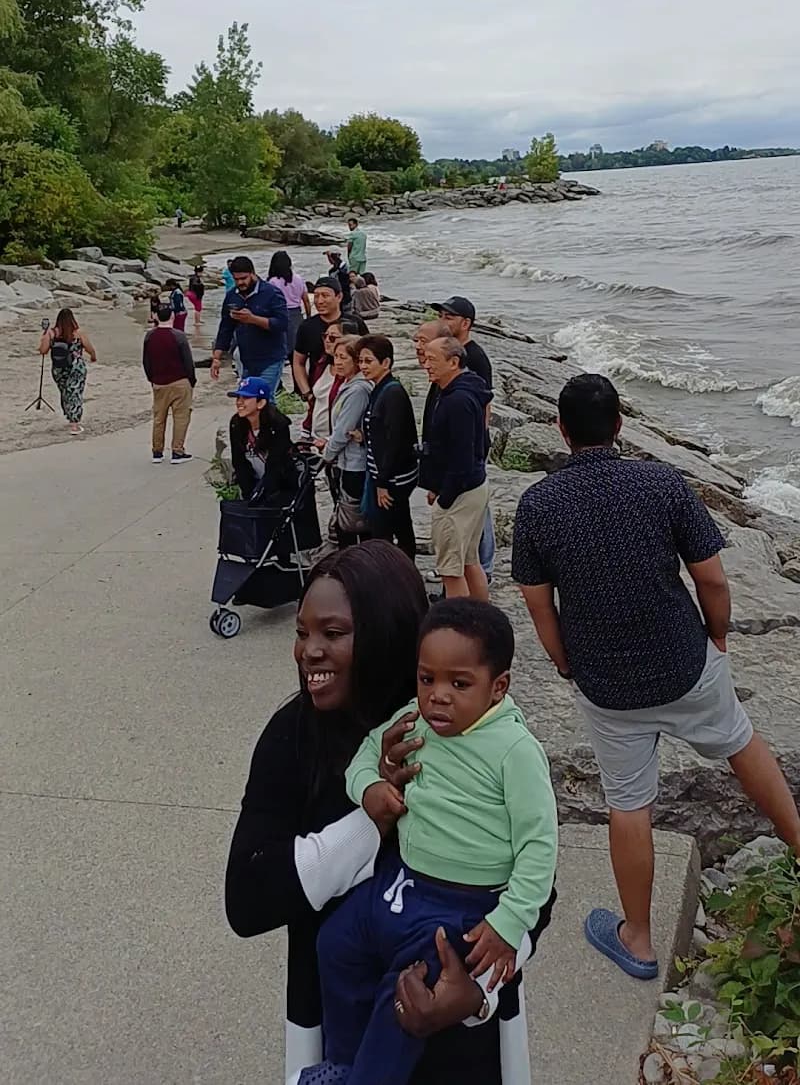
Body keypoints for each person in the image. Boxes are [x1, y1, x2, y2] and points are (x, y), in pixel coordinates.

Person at [512, 372, 800, 982]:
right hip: (683, 660)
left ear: (561, 430)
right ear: (620, 424)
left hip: (607, 682)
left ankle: (638, 940)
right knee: (740, 741)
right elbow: (711, 577)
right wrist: (718, 635)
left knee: (628, 802)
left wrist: (565, 663)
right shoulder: (662, 482)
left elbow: (539, 605)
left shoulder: (538, 504)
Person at [225, 544, 543, 1085]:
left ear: (387, 633)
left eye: (333, 632)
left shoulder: (462, 728)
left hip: (452, 1024)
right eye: (302, 633)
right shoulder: (293, 737)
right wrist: (370, 823)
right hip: (340, 1021)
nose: (309, 652)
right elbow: (247, 901)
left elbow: (536, 876)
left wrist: (477, 989)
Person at [306, 599, 558, 1085]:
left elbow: (539, 845)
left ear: (498, 686)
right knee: (335, 943)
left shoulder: (515, 752)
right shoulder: (413, 720)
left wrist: (509, 922)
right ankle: (342, 1063)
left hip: (462, 910)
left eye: (459, 684)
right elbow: (364, 756)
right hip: (399, 884)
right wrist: (371, 786)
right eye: (427, 679)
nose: (438, 697)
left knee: (407, 993)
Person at [420, 337, 491, 601]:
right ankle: (483, 617)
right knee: (470, 561)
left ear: (454, 362)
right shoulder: (465, 390)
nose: (426, 365)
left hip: (460, 493)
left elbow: (462, 457)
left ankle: (459, 621)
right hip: (474, 486)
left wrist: (445, 497)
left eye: (432, 360)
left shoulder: (457, 401)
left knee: (451, 570)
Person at [431, 299, 495, 582]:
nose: (443, 321)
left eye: (449, 317)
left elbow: (484, 403)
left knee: (477, 511)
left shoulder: (475, 358)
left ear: (466, 323)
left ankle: (486, 564)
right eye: (441, 316)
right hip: (462, 456)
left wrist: (444, 497)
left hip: (469, 454)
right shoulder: (448, 357)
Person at [358, 335, 418, 561]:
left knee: (390, 529)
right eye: (361, 361)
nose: (363, 366)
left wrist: (382, 482)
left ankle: (394, 570)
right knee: (396, 525)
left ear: (386, 363)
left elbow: (395, 440)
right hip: (384, 474)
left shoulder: (392, 393)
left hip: (393, 478)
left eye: (369, 361)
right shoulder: (379, 389)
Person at [212, 256, 288, 399]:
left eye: (244, 278)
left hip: (271, 358)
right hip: (246, 359)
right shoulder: (232, 297)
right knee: (248, 399)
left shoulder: (272, 293)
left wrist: (253, 319)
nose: (240, 283)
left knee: (264, 400)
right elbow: (226, 327)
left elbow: (282, 324)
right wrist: (217, 357)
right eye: (236, 279)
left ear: (253, 273)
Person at [319, 337, 371, 546]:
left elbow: (344, 430)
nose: (338, 362)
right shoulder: (348, 384)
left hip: (354, 463)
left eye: (343, 358)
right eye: (336, 357)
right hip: (345, 459)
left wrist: (328, 453)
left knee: (350, 520)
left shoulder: (358, 390)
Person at [293, 278, 367, 405]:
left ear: (339, 297)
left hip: (351, 389)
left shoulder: (354, 323)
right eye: (316, 296)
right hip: (319, 390)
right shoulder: (307, 327)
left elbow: (369, 354)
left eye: (325, 295)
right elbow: (298, 362)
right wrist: (307, 393)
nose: (319, 301)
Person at [227, 376, 296, 499]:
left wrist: (264, 496)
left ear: (261, 403)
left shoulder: (278, 425)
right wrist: (249, 495)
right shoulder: (236, 423)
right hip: (253, 484)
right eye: (238, 397)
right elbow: (238, 462)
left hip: (281, 487)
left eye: (246, 398)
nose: (239, 402)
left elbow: (276, 465)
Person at [142, 303, 196, 463]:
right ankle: (177, 451)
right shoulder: (179, 336)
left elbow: (146, 361)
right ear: (172, 316)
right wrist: (192, 380)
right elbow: (188, 361)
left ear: (156, 317)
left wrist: (151, 378)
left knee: (159, 418)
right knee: (181, 417)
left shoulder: (149, 336)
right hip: (180, 380)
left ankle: (157, 452)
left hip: (159, 382)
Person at [38, 308, 96, 434]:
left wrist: (44, 337)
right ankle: (74, 424)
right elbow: (89, 347)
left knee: (65, 393)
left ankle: (70, 417)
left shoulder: (51, 333)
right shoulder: (78, 333)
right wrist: (93, 356)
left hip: (59, 368)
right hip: (76, 367)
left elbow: (43, 351)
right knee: (75, 393)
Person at [268, 250, 311, 357]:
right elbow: (306, 300)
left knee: (282, 343)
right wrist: (308, 316)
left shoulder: (273, 281)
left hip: (280, 314)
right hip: (297, 313)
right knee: (297, 344)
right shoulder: (298, 279)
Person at [186, 265, 205, 332]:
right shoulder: (196, 279)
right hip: (195, 295)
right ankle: (197, 322)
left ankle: (198, 320)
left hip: (191, 293)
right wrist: (201, 285)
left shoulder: (193, 277)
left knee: (198, 308)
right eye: (201, 272)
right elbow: (196, 286)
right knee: (198, 308)